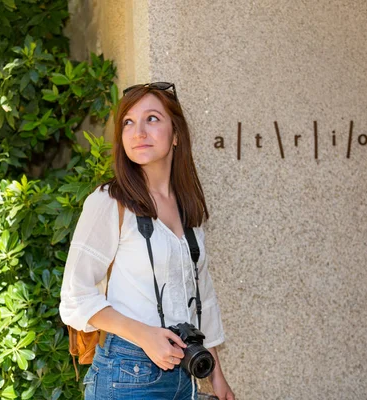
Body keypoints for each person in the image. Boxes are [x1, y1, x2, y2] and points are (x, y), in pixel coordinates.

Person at [59, 82, 235, 400]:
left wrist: (216, 378)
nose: (138, 131)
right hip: (127, 375)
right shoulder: (109, 201)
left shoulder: (187, 207)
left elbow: (202, 299)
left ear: (176, 134)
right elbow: (75, 297)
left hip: (185, 377)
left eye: (152, 119)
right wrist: (145, 336)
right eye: (129, 122)